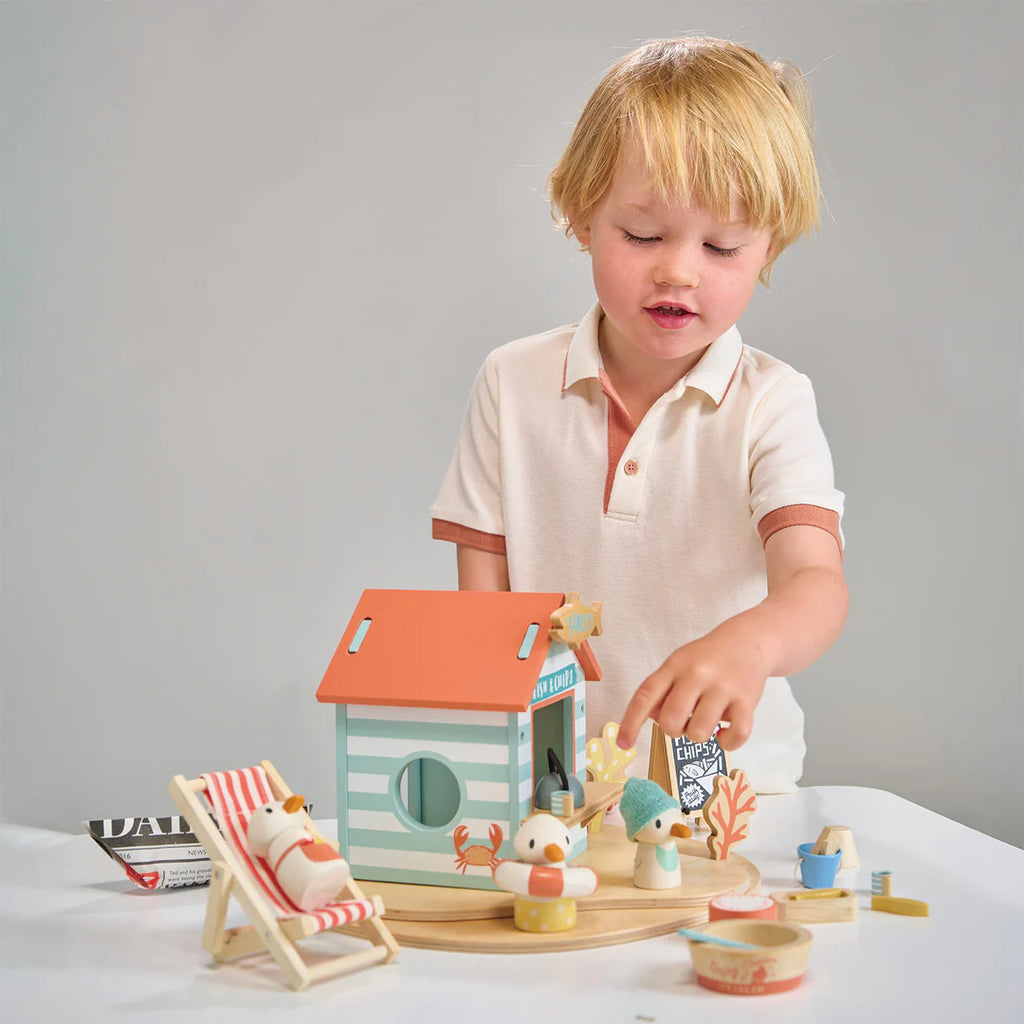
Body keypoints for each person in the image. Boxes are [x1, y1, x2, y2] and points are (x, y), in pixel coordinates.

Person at [430, 36, 847, 793]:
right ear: (581, 212)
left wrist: (750, 645)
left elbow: (816, 585)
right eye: (644, 235)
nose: (678, 270)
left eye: (723, 246)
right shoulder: (513, 382)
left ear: (768, 250)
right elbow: (483, 608)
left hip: (726, 782)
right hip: (552, 779)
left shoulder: (772, 404)